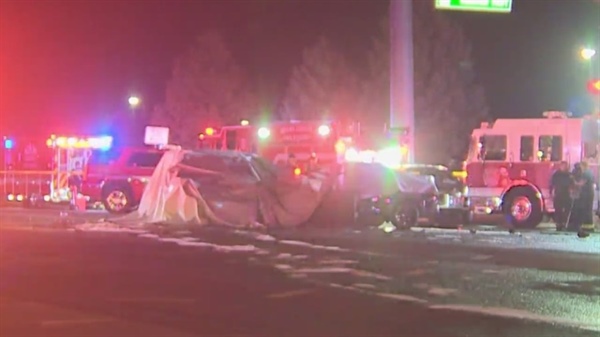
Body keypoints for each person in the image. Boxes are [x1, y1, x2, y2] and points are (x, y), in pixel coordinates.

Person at [550, 161, 571, 231]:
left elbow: (571, 183)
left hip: (566, 194)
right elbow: (552, 183)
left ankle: (564, 224)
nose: (564, 167)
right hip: (558, 194)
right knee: (558, 210)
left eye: (565, 166)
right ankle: (558, 225)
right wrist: (551, 191)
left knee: (566, 210)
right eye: (563, 166)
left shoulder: (569, 174)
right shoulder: (556, 174)